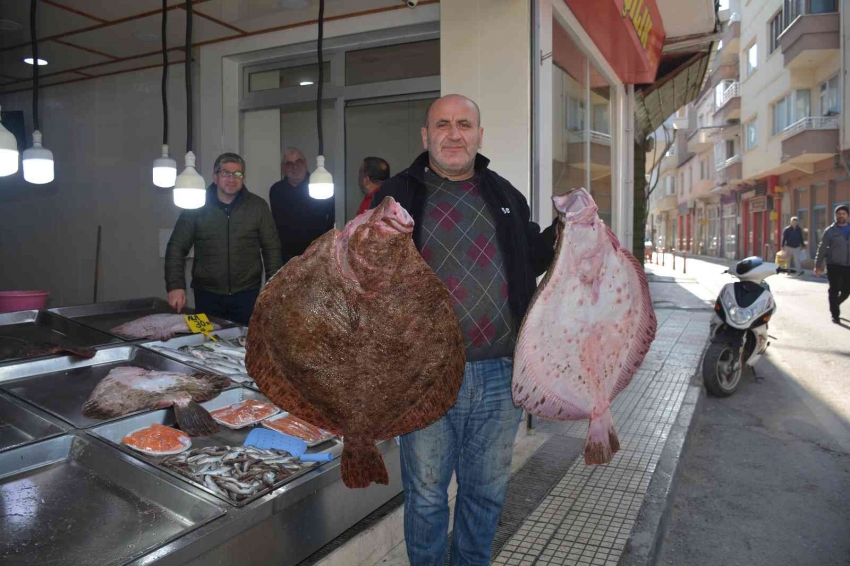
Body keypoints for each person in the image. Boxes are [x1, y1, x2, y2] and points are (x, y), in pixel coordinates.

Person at [371, 94, 558, 566]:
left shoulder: (504, 194)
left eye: (464, 124)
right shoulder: (396, 194)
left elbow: (529, 260)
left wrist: (567, 230)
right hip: (424, 374)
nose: (454, 134)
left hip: (499, 372)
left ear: (479, 134)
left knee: (486, 493)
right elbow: (363, 271)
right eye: (443, 124)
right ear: (425, 136)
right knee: (428, 495)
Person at [165, 153, 282, 325]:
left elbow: (272, 248)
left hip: (247, 294)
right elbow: (176, 247)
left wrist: (274, 288)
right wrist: (175, 286)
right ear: (215, 176)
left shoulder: (258, 207)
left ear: (243, 177)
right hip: (206, 295)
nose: (232, 178)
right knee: (204, 343)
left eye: (237, 174)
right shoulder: (196, 206)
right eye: (226, 173)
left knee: (245, 344)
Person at [269, 147, 335, 265]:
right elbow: (276, 225)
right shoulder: (276, 191)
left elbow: (330, 218)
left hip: (316, 253)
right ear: (283, 168)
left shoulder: (322, 185)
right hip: (287, 255)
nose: (295, 167)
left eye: (298, 162)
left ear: (305, 164)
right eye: (289, 164)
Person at [814, 204, 850, 324]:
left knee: (846, 290)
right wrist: (817, 265)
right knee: (834, 290)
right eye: (839, 214)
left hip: (848, 265)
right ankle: (835, 314)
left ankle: (835, 303)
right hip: (834, 264)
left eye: (843, 213)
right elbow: (822, 248)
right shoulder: (830, 231)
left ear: (848, 216)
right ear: (836, 216)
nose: (841, 216)